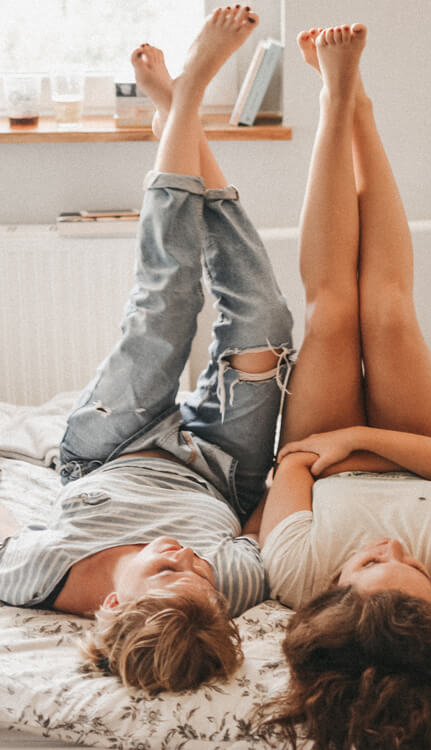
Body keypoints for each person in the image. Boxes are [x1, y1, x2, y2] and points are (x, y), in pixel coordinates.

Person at [0, 6, 293, 693]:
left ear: (111, 604)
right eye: (201, 578)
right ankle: (178, 109)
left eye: (167, 571)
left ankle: (185, 96)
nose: (189, 560)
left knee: (167, 305)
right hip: (220, 469)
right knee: (266, 324)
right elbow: (257, 524)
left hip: (111, 446)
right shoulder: (225, 590)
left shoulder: (37, 576)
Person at [258, 23, 431, 750]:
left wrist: (333, 447)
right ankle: (362, 110)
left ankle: (336, 100)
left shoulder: (296, 571)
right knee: (390, 311)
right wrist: (365, 440)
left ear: (335, 587)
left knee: (334, 313)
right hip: (420, 447)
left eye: (374, 561)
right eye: (411, 567)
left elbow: (295, 462)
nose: (394, 546)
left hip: (320, 448)